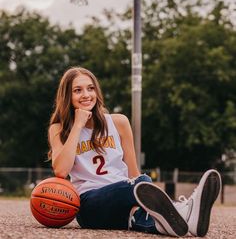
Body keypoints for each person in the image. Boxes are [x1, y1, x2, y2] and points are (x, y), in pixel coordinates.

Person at [48, 66, 222, 237]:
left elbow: (133, 173)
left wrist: (141, 190)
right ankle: (186, 209)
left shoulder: (118, 122)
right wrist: (78, 125)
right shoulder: (59, 129)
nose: (86, 95)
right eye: (77, 90)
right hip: (90, 204)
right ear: (67, 96)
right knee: (140, 184)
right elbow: (61, 171)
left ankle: (181, 220)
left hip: (126, 195)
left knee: (139, 198)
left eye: (91, 88)